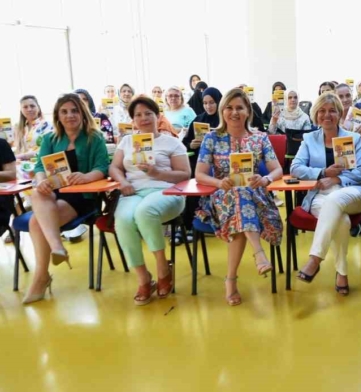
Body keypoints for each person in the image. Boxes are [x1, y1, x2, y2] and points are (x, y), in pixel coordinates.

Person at [195, 88, 283, 306]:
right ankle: (259, 254)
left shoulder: (259, 138)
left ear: (248, 112)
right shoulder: (211, 138)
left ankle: (231, 279)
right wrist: (219, 182)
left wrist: (265, 179)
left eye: (239, 108)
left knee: (242, 198)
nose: (234, 112)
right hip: (221, 198)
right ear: (222, 111)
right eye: (229, 107)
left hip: (255, 196)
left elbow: (277, 170)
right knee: (238, 196)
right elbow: (199, 174)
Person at [22, 94, 110, 304]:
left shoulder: (94, 137)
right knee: (37, 192)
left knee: (35, 222)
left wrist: (86, 176)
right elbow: (40, 166)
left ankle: (41, 277)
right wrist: (41, 180)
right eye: (64, 111)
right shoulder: (50, 139)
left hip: (83, 195)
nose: (70, 115)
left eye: (74, 110)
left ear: (82, 113)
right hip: (54, 193)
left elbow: (102, 167)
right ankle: (57, 248)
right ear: (57, 116)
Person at [109, 96, 191, 305]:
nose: (143, 118)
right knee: (123, 220)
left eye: (148, 113)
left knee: (145, 212)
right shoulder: (127, 141)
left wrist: (157, 173)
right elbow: (114, 167)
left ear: (158, 116)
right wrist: (122, 181)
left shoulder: (172, 142)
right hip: (133, 192)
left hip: (167, 191)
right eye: (138, 115)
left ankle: (163, 269)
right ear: (133, 120)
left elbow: (185, 174)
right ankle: (144, 278)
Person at [292, 93, 361, 294]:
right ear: (315, 115)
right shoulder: (309, 139)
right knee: (342, 222)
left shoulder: (353, 138)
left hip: (350, 193)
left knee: (335, 199)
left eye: (332, 110)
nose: (327, 115)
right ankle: (342, 273)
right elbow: (295, 168)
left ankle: (315, 259)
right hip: (320, 195)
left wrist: (336, 179)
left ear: (340, 114)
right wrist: (323, 172)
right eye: (322, 111)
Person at [182, 87, 222, 238]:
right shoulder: (198, 119)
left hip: (220, 162)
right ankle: (188, 226)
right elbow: (185, 142)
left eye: (212, 102)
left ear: (219, 102)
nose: (208, 106)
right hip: (201, 162)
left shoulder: (225, 119)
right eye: (205, 103)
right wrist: (191, 145)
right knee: (194, 183)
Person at [13, 95, 53, 161]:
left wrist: (22, 156)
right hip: (21, 164)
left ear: (38, 108)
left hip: (40, 163)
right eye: (25, 107)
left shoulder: (47, 125)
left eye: (32, 106)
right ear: (21, 110)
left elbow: (47, 150)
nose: (29, 109)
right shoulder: (18, 127)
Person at [338, 83, 361, 149]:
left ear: (352, 96)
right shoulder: (331, 116)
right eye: (340, 97)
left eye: (348, 95)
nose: (345, 99)